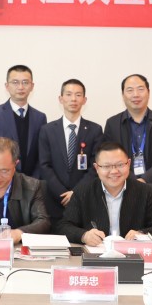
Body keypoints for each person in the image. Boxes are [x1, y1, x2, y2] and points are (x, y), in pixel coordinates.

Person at [56, 141, 152, 246]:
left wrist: (141, 234)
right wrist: (84, 236)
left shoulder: (145, 191)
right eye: (106, 166)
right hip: (96, 254)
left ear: (128, 164)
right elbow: (63, 226)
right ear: (97, 168)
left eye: (120, 165)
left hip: (132, 253)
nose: (114, 171)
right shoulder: (83, 192)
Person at [102, 74, 152, 228]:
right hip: (122, 193)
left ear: (148, 92)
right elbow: (108, 159)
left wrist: (144, 180)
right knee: (125, 238)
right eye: (130, 90)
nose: (135, 94)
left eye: (140, 89)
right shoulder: (112, 124)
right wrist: (132, 180)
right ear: (123, 95)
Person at [37, 79, 103, 221]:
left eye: (78, 95)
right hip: (54, 200)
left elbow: (95, 166)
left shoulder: (95, 130)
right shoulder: (47, 130)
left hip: (84, 200)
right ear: (61, 99)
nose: (73, 99)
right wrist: (62, 193)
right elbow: (44, 166)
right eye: (68, 94)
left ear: (84, 100)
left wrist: (76, 193)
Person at [0, 65, 47, 176]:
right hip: (2, 179)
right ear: (7, 86)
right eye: (15, 82)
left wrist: (34, 181)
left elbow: (42, 154)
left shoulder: (40, 117)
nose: (20, 87)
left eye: (25, 82)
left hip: (33, 181)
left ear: (32, 86)